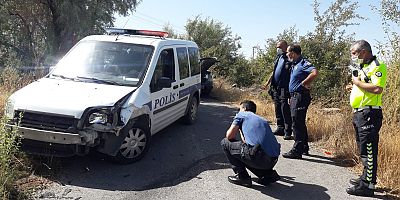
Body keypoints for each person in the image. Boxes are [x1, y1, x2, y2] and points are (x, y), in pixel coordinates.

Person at [345, 40, 387, 197]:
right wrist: (354, 86)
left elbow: (377, 88)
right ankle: (365, 178)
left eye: (354, 53)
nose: (353, 56)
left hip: (369, 114)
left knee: (368, 151)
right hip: (359, 113)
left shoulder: (377, 65)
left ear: (364, 51)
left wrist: (357, 82)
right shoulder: (363, 67)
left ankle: (368, 186)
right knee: (363, 148)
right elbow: (364, 86)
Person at [221, 100, 281, 187]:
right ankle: (267, 174)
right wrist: (242, 129)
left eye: (239, 108)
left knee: (225, 143)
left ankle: (242, 177)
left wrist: (238, 122)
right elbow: (247, 142)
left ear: (244, 108)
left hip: (258, 158)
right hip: (272, 160)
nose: (238, 111)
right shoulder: (262, 119)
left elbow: (229, 136)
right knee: (246, 150)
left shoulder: (241, 115)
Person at [282, 44, 318, 159]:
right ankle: (304, 147)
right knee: (299, 122)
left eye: (288, 52)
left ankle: (297, 150)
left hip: (301, 96)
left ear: (293, 52)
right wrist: (290, 96)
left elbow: (314, 72)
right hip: (294, 96)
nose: (287, 54)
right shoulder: (294, 64)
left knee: (296, 123)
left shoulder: (303, 63)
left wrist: (304, 83)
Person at [266, 40, 293, 140]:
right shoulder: (279, 57)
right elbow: (274, 71)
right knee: (277, 108)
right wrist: (267, 83)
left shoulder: (290, 58)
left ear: (286, 47)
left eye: (280, 47)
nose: (278, 49)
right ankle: (280, 128)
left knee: (285, 109)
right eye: (277, 47)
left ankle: (287, 131)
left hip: (284, 88)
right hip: (276, 88)